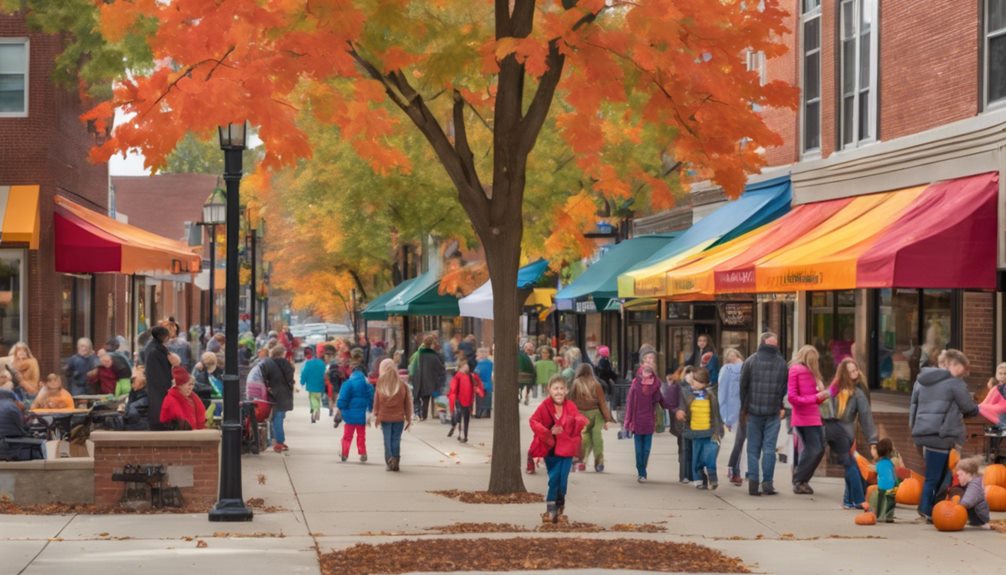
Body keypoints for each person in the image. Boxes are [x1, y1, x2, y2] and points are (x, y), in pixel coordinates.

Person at [909, 348, 979, 521]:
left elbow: (914, 407)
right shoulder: (954, 383)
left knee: (942, 474)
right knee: (935, 476)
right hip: (941, 434)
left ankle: (933, 507)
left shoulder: (922, 381)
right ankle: (926, 508)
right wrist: (977, 408)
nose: (963, 371)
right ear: (953, 365)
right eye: (961, 366)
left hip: (923, 433)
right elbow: (968, 408)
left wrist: (914, 430)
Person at [529, 374, 587, 523]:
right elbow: (534, 421)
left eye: (562, 388)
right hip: (551, 450)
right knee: (554, 478)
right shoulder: (544, 406)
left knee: (563, 479)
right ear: (549, 390)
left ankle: (560, 504)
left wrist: (578, 422)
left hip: (567, 450)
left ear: (566, 390)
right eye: (555, 388)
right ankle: (551, 508)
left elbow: (578, 418)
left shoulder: (570, 406)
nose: (559, 392)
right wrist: (548, 431)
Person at [740, 331, 789, 497]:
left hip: (753, 411)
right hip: (773, 411)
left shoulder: (750, 361)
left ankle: (753, 482)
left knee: (753, 449)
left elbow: (743, 386)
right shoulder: (782, 363)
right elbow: (784, 388)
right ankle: (767, 483)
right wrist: (780, 405)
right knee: (769, 448)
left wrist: (744, 408)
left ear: (761, 342)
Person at [825, 357, 878, 509]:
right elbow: (866, 417)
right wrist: (873, 440)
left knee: (850, 465)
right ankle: (858, 499)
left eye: (856, 370)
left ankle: (848, 499)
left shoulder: (835, 389)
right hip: (843, 433)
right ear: (844, 374)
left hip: (834, 432)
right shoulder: (857, 393)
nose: (855, 373)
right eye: (851, 371)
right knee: (851, 466)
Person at [788, 345, 829, 495]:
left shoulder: (811, 373)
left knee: (818, 448)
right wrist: (815, 398)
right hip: (803, 417)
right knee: (815, 448)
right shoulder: (796, 370)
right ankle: (799, 479)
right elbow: (792, 398)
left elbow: (813, 400)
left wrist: (820, 397)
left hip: (813, 416)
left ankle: (802, 479)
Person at [676, 367, 724, 490]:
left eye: (699, 381)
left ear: (705, 383)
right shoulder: (687, 394)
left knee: (710, 457)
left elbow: (716, 414)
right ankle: (700, 480)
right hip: (695, 433)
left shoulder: (711, 396)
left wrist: (718, 431)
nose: (696, 383)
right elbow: (682, 407)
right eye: (695, 380)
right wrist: (680, 412)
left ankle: (713, 478)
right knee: (697, 459)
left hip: (709, 433)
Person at [624, 363, 672, 483]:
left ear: (652, 374)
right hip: (637, 422)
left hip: (649, 422)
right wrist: (627, 422)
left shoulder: (655, 386)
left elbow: (662, 401)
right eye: (645, 372)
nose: (647, 374)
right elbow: (629, 404)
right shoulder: (635, 385)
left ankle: (642, 469)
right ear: (640, 373)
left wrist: (675, 407)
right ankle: (641, 472)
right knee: (639, 450)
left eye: (649, 372)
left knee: (646, 450)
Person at [569, 363, 614, 473]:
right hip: (596, 414)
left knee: (585, 436)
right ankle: (599, 461)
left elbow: (570, 400)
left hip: (581, 414)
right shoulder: (596, 383)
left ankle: (581, 460)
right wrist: (608, 418)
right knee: (597, 435)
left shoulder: (575, 383)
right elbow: (603, 403)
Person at [372, 358, 413, 471]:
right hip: (399, 417)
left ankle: (389, 460)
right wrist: (409, 418)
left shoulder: (381, 383)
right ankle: (396, 460)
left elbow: (377, 400)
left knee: (387, 439)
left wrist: (376, 413)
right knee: (396, 439)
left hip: (385, 417)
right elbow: (407, 403)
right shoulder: (402, 384)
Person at [337, 348, 374, 462]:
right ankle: (362, 452)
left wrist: (341, 408)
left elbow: (342, 400)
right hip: (362, 415)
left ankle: (345, 453)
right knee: (361, 435)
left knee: (347, 436)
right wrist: (370, 409)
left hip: (349, 414)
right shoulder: (367, 384)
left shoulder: (348, 383)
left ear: (352, 371)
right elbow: (371, 397)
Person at [719, 348, 745, 485]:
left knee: (741, 444)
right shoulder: (727, 370)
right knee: (738, 443)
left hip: (746, 410)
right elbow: (722, 393)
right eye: (729, 354)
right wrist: (726, 416)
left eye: (734, 353)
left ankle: (736, 471)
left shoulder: (746, 366)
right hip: (734, 412)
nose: (732, 355)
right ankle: (735, 471)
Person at [262, 345, 295, 452]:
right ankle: (279, 442)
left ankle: (274, 439)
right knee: (279, 417)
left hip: (271, 392)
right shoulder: (286, 364)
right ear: (282, 353)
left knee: (274, 417)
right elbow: (290, 378)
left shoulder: (268, 363)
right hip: (283, 393)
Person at [144, 326, 175, 430]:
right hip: (161, 381)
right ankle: (162, 423)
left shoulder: (149, 347)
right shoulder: (159, 350)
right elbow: (166, 365)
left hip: (152, 381)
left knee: (155, 402)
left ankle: (158, 422)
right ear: (164, 337)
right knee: (161, 403)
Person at [447, 358, 484, 443]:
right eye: (464, 366)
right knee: (459, 416)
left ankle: (465, 436)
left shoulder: (471, 376)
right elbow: (453, 389)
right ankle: (457, 430)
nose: (467, 367)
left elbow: (477, 384)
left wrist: (478, 391)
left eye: (467, 366)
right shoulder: (457, 376)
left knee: (466, 418)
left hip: (468, 401)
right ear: (461, 367)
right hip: (459, 400)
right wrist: (452, 399)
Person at [411, 335, 445, 421]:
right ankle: (439, 415)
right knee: (437, 397)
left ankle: (421, 414)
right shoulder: (434, 356)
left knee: (423, 399)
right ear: (431, 345)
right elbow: (440, 369)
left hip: (418, 380)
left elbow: (412, 366)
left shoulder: (417, 354)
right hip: (431, 381)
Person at [955, 456, 991, 529]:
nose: (958, 477)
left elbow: (967, 501)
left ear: (969, 474)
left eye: (961, 475)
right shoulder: (970, 482)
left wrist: (955, 509)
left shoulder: (974, 485)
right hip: (976, 513)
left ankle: (980, 523)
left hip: (979, 516)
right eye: (958, 475)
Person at [870, 438, 897, 523]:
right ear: (890, 451)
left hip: (881, 485)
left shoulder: (878, 464)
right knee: (891, 501)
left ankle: (879, 516)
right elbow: (896, 473)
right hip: (892, 486)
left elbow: (876, 472)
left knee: (880, 501)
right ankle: (889, 517)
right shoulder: (892, 462)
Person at [301, 347, 327, 423]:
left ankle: (315, 410)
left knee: (312, 398)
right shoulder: (322, 364)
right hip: (320, 384)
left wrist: (302, 382)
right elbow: (325, 374)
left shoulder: (308, 364)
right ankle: (316, 412)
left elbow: (304, 373)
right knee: (318, 398)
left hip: (311, 385)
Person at [980, 361, 1006, 426]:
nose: (1003, 376)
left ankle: (1002, 423)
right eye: (1000, 373)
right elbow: (987, 401)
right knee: (980, 407)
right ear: (997, 374)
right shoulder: (997, 388)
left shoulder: (997, 388)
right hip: (999, 408)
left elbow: (985, 403)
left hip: (1002, 408)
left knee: (980, 407)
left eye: (1005, 374)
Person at [474, 347, 494, 418]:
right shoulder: (491, 363)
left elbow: (476, 374)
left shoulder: (478, 364)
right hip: (488, 385)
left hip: (480, 386)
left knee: (480, 400)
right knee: (487, 399)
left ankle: (480, 412)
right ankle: (486, 413)